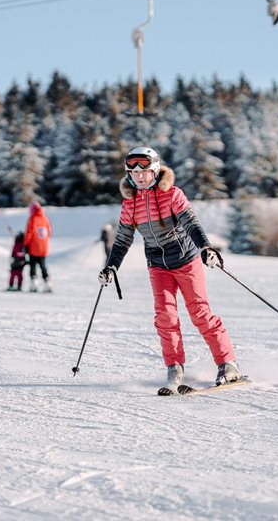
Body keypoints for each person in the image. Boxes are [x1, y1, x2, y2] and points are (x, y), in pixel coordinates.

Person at [98, 146, 241, 391]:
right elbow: (122, 240)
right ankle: (174, 367)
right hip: (157, 266)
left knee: (199, 312)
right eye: (133, 173)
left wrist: (205, 248)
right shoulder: (129, 204)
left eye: (144, 171)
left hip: (185, 260)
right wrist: (111, 267)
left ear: (154, 170)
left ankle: (228, 363)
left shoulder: (172, 194)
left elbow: (191, 223)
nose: (139, 177)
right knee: (165, 317)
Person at [24, 201, 52, 292]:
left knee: (32, 265)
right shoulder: (45, 219)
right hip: (44, 248)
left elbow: (29, 233)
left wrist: (25, 244)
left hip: (34, 247)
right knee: (43, 265)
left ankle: (34, 284)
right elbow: (49, 233)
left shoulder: (32, 219)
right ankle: (48, 283)